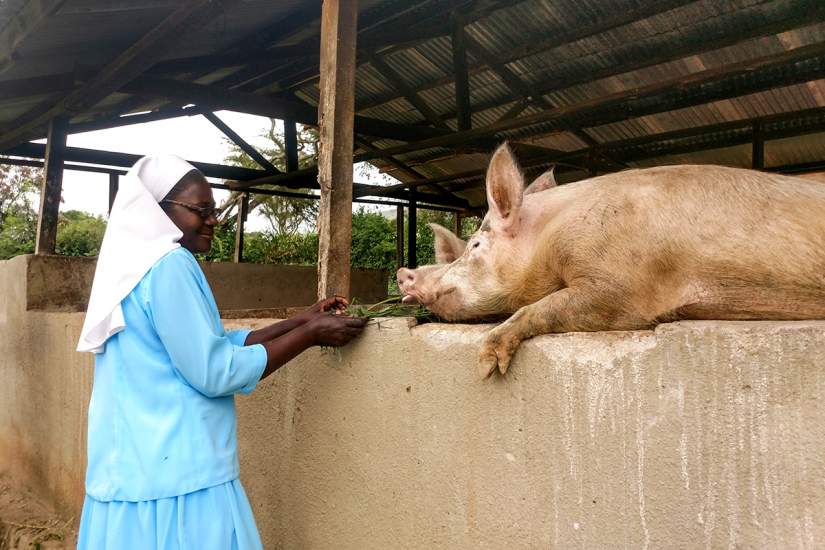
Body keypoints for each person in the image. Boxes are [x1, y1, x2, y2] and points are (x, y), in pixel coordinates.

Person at [74, 154, 367, 549]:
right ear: (158, 212)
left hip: (134, 469)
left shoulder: (132, 269)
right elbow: (215, 371)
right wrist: (310, 336)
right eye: (202, 210)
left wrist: (299, 321)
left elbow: (210, 347)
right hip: (181, 474)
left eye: (213, 210)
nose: (214, 220)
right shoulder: (170, 265)